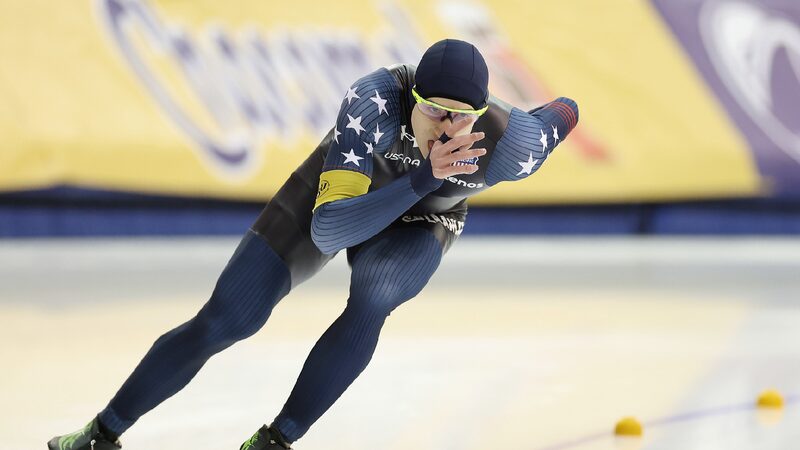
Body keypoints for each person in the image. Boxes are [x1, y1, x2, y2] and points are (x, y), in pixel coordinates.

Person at [47, 38, 579, 450]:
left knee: (375, 293)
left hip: (424, 219)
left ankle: (276, 440)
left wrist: (431, 184)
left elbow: (565, 110)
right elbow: (329, 231)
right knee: (228, 317)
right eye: (434, 110)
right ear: (412, 97)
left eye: (461, 116)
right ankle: (100, 432)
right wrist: (423, 177)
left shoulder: (513, 144)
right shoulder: (373, 102)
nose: (446, 128)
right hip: (342, 200)